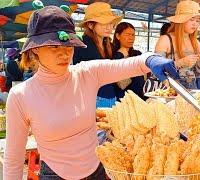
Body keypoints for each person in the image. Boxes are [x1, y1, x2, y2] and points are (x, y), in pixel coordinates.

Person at [4, 6, 179, 180]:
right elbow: (13, 160)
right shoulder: (21, 96)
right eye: (54, 47)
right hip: (55, 175)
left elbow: (128, 65)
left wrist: (150, 59)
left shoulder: (86, 73)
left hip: (97, 171)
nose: (64, 53)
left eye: (68, 46)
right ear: (35, 49)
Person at [73, 2, 122, 108]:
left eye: (111, 23)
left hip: (111, 96)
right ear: (90, 25)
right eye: (104, 23)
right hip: (92, 99)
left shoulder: (109, 45)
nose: (109, 27)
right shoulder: (81, 45)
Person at [155, 0, 200, 89]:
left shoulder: (196, 43)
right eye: (191, 19)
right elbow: (156, 69)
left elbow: (195, 72)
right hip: (169, 91)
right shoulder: (165, 40)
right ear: (180, 20)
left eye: (197, 20)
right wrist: (180, 63)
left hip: (191, 90)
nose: (195, 24)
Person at [112, 22, 145, 99]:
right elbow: (121, 83)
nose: (131, 38)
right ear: (118, 36)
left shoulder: (137, 54)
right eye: (127, 34)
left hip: (140, 98)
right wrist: (120, 55)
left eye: (133, 35)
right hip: (123, 100)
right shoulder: (114, 55)